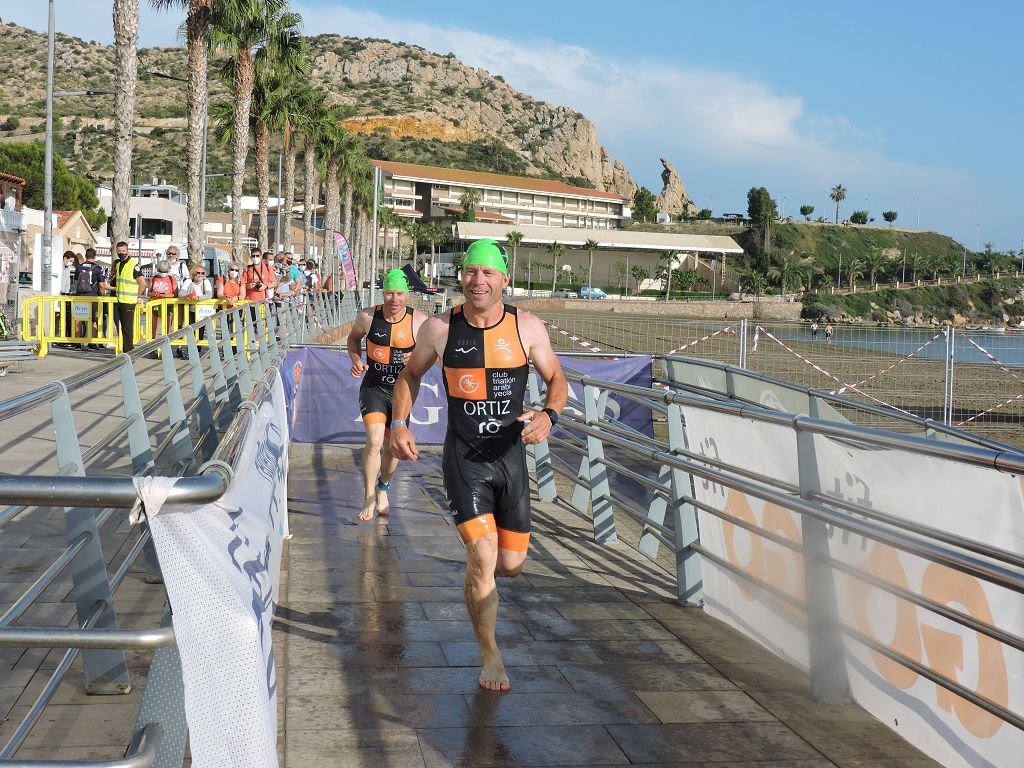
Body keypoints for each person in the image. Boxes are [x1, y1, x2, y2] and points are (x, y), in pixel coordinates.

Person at [390, 239, 567, 691]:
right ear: (461, 277)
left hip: (509, 460)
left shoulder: (527, 328)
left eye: (488, 273)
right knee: (483, 555)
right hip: (465, 458)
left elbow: (556, 380)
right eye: (471, 272)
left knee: (511, 564)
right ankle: (490, 656)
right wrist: (399, 423)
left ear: (504, 279)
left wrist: (549, 414)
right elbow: (410, 375)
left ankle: (479, 576)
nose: (478, 280)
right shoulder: (439, 328)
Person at [347, 269, 427, 521]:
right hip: (374, 387)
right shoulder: (367, 317)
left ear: (407, 294)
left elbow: (434, 355)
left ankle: (383, 487)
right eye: (390, 293)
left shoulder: (420, 321)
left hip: (402, 393)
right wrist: (356, 359)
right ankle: (368, 496)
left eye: (400, 293)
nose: (394, 299)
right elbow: (353, 340)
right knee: (374, 440)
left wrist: (417, 357)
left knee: (393, 449)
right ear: (383, 293)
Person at [100, 241, 146, 353]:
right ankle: (127, 351)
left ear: (127, 251)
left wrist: (137, 297)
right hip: (120, 300)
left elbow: (143, 283)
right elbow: (119, 284)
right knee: (123, 328)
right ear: (116, 251)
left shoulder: (133, 265)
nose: (121, 253)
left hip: (129, 301)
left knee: (127, 329)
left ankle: (129, 352)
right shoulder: (119, 264)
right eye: (119, 251)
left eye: (124, 251)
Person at [75, 248, 107, 348]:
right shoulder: (98, 268)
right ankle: (92, 343)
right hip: (92, 296)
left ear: (86, 256)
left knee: (78, 319)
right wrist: (101, 295)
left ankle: (77, 344)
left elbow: (76, 282)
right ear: (95, 256)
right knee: (93, 320)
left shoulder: (79, 267)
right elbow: (102, 285)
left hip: (80, 296)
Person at [148, 259, 179, 340]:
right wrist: (154, 294)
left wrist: (165, 295)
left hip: (168, 304)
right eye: (161, 271)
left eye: (165, 271)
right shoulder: (153, 278)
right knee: (154, 326)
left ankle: (166, 342)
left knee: (167, 326)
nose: (162, 273)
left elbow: (175, 294)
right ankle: (153, 341)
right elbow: (149, 293)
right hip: (155, 304)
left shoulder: (172, 279)